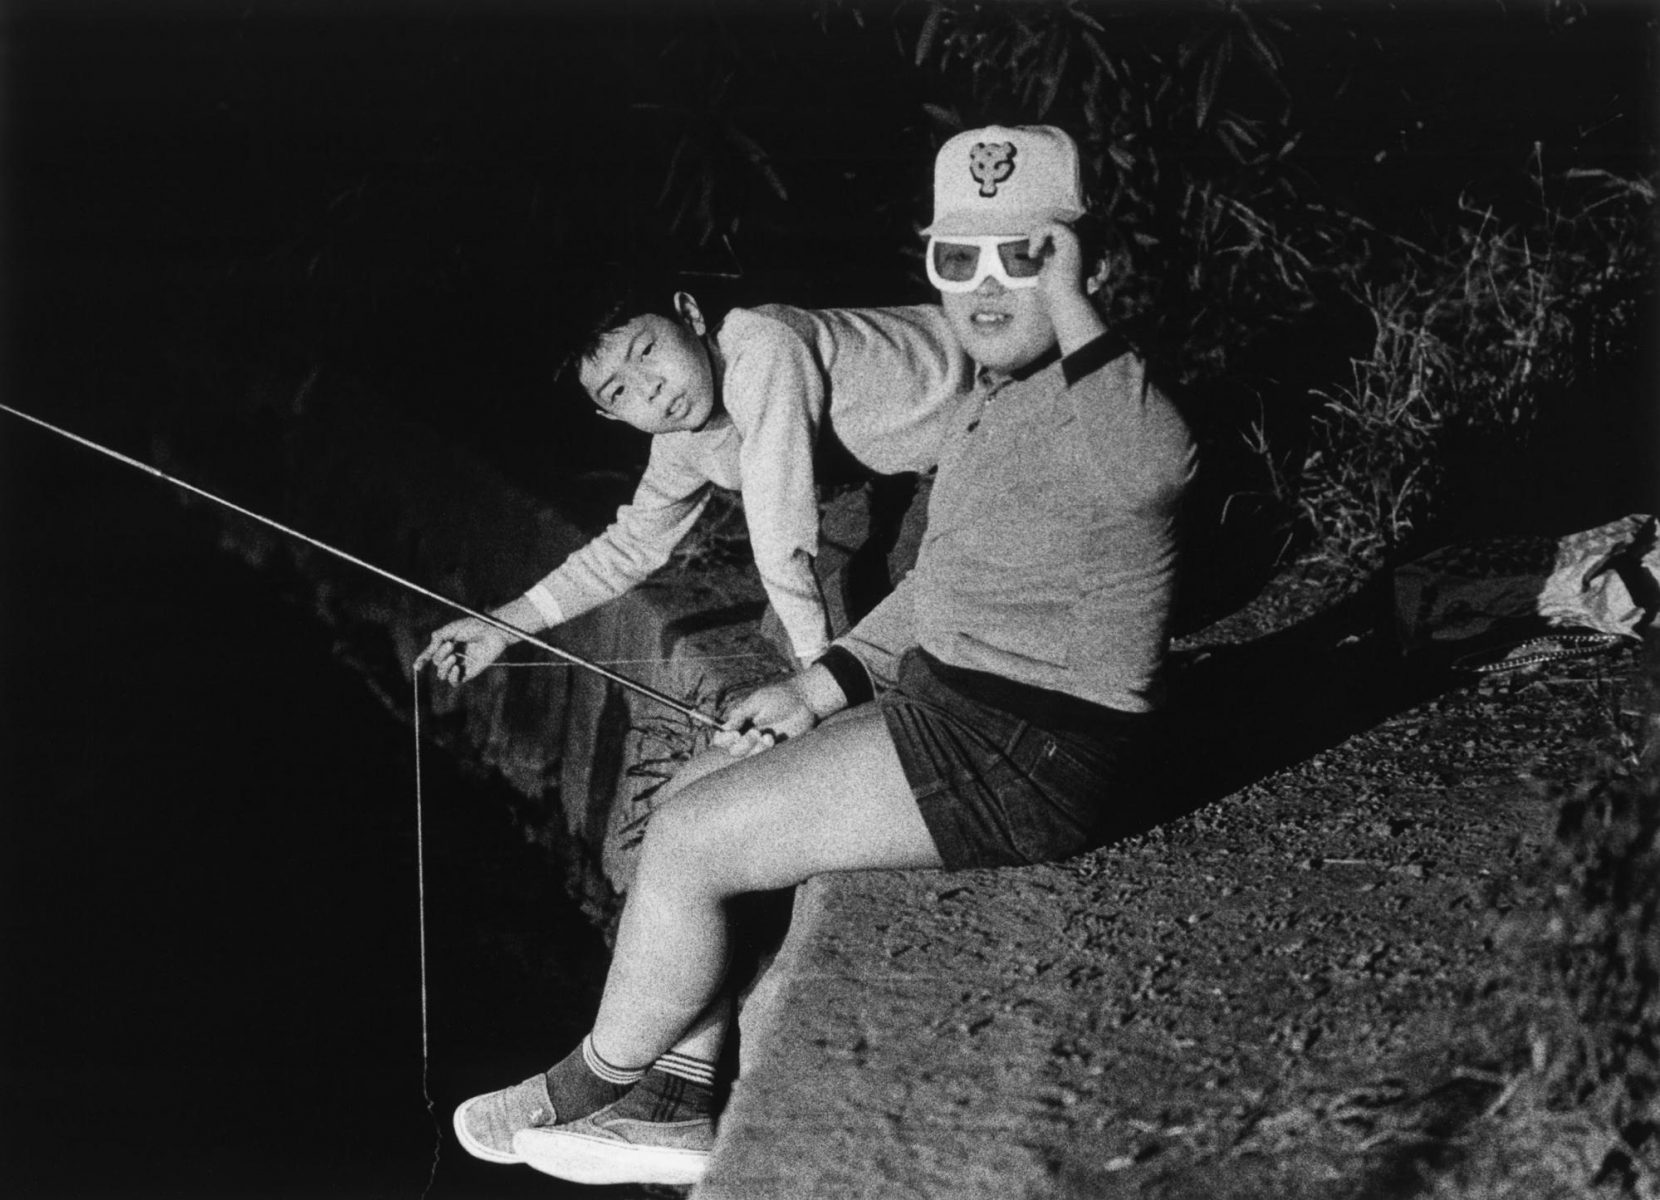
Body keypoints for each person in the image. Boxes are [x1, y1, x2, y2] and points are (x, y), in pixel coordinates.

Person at [444, 124, 1197, 1187]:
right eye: (956, 262)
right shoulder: (993, 396)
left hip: (1031, 752)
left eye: (1023, 258)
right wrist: (817, 684)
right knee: (701, 788)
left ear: (1080, 263)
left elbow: (1155, 465)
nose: (985, 291)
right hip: (963, 707)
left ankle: (581, 1085)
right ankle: (675, 1097)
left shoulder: (1100, 400)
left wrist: (1073, 309)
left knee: (699, 837)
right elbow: (940, 582)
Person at [416, 280, 975, 677]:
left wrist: (815, 678)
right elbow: (630, 547)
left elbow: (780, 523)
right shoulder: (680, 440)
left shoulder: (762, 348)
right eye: (618, 391)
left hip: (995, 400)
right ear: (610, 416)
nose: (650, 388)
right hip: (922, 466)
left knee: (863, 635)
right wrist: (502, 625)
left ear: (691, 315)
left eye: (648, 350)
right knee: (794, 632)